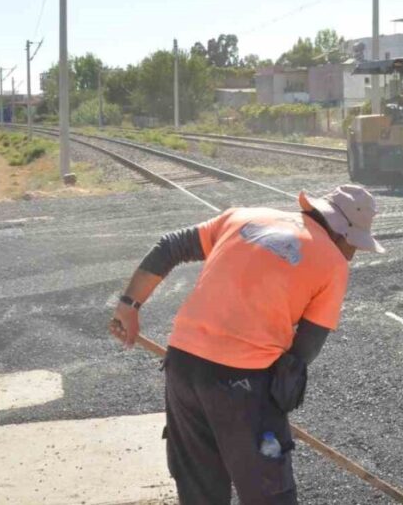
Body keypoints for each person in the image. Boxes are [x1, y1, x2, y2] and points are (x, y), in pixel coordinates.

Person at [109, 185, 384, 505]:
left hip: (183, 366)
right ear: (341, 232)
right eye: (355, 245)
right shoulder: (333, 264)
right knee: (269, 493)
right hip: (244, 383)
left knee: (199, 491)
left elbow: (170, 246)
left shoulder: (242, 217)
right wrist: (269, 404)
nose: (353, 254)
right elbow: (305, 350)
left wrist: (128, 306)